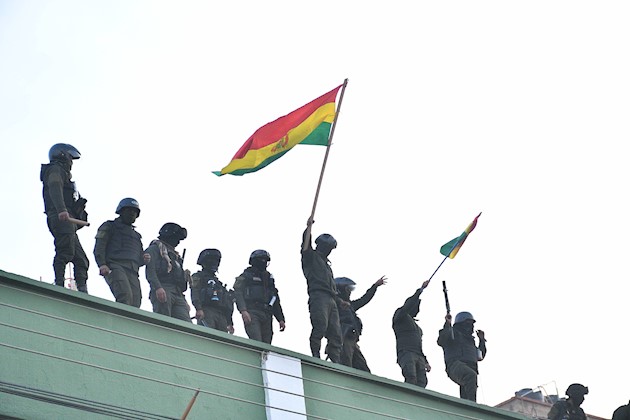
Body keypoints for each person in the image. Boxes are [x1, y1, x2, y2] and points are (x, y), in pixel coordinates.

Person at [40, 143, 90, 292]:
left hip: (69, 220)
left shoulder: (64, 175)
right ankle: (59, 284)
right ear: (62, 156)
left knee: (81, 260)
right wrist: (62, 210)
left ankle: (82, 290)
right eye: (70, 158)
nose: (71, 162)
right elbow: (55, 188)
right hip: (61, 217)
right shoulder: (55, 170)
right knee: (65, 251)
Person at [301, 219, 344, 363]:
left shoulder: (327, 265)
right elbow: (305, 246)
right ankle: (316, 356)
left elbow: (330, 287)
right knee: (320, 326)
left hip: (331, 299)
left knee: (336, 333)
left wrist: (340, 301)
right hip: (318, 296)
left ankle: (335, 360)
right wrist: (308, 229)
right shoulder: (311, 258)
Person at [94, 198, 147, 307]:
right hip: (115, 265)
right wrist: (102, 264)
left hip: (133, 270)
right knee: (124, 295)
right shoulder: (110, 226)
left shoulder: (136, 235)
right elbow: (100, 245)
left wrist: (144, 259)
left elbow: (138, 257)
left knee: (136, 301)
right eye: (129, 211)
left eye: (134, 212)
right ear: (121, 211)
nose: (132, 214)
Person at [233, 249, 285, 344]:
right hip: (252, 312)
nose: (264, 263)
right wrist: (243, 311)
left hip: (267, 314)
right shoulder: (246, 276)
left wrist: (281, 319)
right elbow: (238, 293)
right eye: (261, 260)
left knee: (266, 346)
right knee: (256, 343)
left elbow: (275, 298)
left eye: (265, 260)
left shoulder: (268, 278)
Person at [336, 275, 386, 372]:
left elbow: (364, 299)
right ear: (341, 289)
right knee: (345, 367)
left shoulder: (350, 305)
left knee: (363, 369)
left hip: (352, 340)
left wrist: (375, 286)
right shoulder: (336, 305)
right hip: (343, 338)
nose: (350, 291)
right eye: (348, 289)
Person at [144, 222, 191, 322]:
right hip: (163, 287)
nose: (178, 241)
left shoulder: (176, 257)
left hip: (178, 293)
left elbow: (179, 281)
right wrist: (158, 288)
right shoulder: (155, 249)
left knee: (186, 324)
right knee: (163, 321)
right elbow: (150, 271)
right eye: (176, 238)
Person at [437, 310, 487, 401]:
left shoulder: (470, 341)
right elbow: (442, 340)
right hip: (455, 364)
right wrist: (447, 324)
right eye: (467, 323)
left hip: (470, 367)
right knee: (470, 376)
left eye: (471, 324)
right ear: (461, 324)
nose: (470, 326)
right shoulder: (453, 333)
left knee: (466, 390)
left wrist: (482, 340)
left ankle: (467, 409)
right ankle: (472, 406)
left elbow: (480, 355)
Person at [392, 280, 431, 387]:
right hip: (406, 353)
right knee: (411, 376)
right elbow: (407, 306)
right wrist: (420, 290)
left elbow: (419, 345)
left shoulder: (417, 327)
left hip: (418, 355)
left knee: (422, 382)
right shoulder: (400, 315)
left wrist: (425, 360)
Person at [190, 248, 235, 334]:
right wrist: (198, 308)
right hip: (207, 311)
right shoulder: (198, 276)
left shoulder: (219, 284)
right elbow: (195, 292)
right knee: (207, 337)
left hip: (221, 315)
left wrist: (229, 322)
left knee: (222, 342)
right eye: (211, 260)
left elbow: (227, 302)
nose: (214, 263)